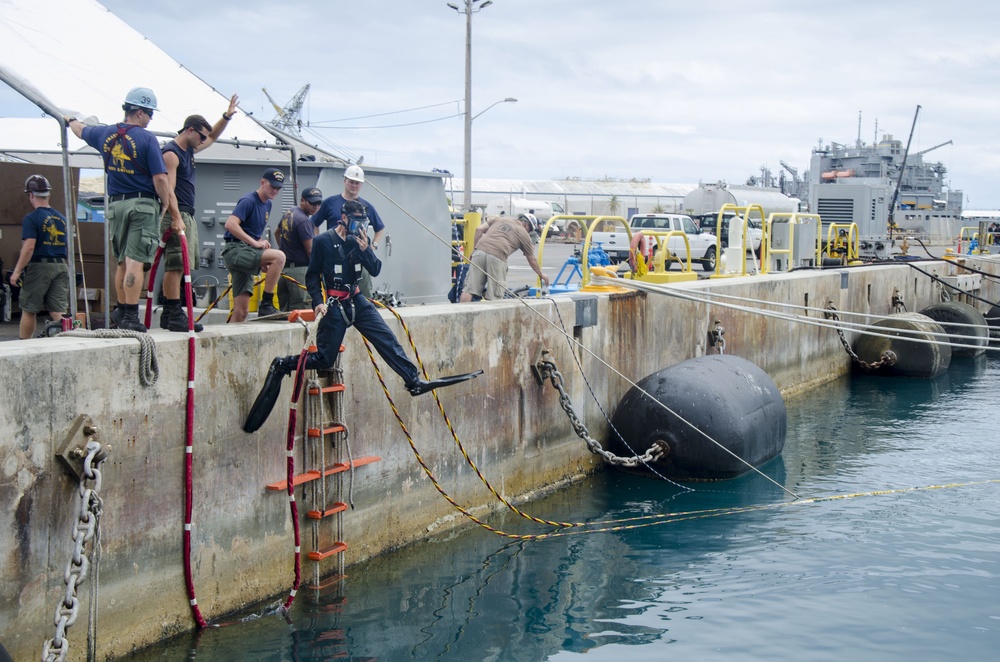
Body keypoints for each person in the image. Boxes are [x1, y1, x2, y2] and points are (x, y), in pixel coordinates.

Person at [243, 200, 481, 433]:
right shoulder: (324, 241)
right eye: (356, 222)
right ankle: (283, 364)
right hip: (334, 303)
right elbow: (312, 276)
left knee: (387, 339)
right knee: (324, 359)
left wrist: (366, 249)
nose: (360, 227)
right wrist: (317, 303)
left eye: (363, 223)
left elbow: (375, 269)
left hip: (357, 299)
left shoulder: (360, 242)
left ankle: (413, 381)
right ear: (344, 219)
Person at [66, 86, 182, 332]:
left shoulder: (105, 134)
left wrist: (70, 119)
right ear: (139, 112)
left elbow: (80, 131)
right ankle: (130, 315)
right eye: (150, 113)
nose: (151, 119)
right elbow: (160, 179)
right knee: (136, 261)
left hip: (115, 204)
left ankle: (120, 311)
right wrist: (165, 205)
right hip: (142, 205)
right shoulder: (146, 138)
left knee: (121, 262)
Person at [159, 94, 239, 332]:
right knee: (175, 264)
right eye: (200, 136)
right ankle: (173, 313)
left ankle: (171, 313)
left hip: (186, 214)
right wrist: (175, 217)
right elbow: (168, 190)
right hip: (177, 213)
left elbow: (213, 136)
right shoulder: (172, 153)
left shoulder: (188, 150)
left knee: (183, 264)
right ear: (190, 130)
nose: (204, 140)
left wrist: (226, 117)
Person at [222, 167, 287, 322]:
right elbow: (230, 224)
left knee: (241, 311)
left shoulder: (268, 205)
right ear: (262, 182)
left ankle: (229, 342)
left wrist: (261, 257)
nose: (275, 191)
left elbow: (253, 231)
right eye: (272, 186)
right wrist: (255, 244)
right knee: (280, 257)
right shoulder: (249, 200)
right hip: (235, 250)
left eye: (278, 188)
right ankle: (266, 304)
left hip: (247, 251)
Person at [310, 165, 385, 297]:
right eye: (351, 182)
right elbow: (314, 223)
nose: (354, 185)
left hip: (358, 256)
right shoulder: (330, 202)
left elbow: (380, 229)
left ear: (361, 184)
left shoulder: (365, 207)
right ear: (345, 181)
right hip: (335, 257)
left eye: (357, 183)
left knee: (364, 295)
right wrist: (318, 245)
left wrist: (371, 247)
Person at [9, 175, 69, 339]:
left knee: (29, 308)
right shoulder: (62, 219)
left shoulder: (32, 218)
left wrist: (17, 271)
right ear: (48, 194)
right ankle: (69, 341)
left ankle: (25, 344)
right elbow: (67, 246)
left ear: (31, 195)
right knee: (57, 310)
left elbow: (29, 247)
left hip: (40, 267)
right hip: (61, 265)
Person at [459, 213, 549, 302]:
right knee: (495, 296)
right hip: (497, 257)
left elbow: (479, 229)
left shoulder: (500, 219)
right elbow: (532, 260)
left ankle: (461, 314)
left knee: (469, 289)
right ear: (527, 226)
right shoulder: (524, 234)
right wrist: (541, 274)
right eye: (530, 230)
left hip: (479, 252)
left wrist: (475, 250)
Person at [275, 186, 323, 311]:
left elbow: (277, 233)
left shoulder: (289, 213)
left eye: (319, 203)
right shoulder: (304, 221)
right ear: (302, 200)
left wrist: (284, 252)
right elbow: (310, 251)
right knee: (301, 312)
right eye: (312, 203)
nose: (316, 207)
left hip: (284, 272)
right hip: (300, 272)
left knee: (284, 314)